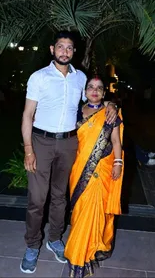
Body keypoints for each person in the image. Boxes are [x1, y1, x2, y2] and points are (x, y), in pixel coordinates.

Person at [20, 30, 117, 274]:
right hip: (41, 141)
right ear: (52, 50)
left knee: (60, 196)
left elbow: (94, 97)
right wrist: (29, 150)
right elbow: (27, 115)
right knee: (37, 198)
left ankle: (54, 238)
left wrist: (112, 103)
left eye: (69, 48)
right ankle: (32, 246)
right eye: (60, 47)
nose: (65, 51)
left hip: (69, 144)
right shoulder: (39, 77)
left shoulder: (79, 78)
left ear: (74, 52)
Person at [64, 75, 124, 278]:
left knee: (96, 210)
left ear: (104, 92)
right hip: (78, 168)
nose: (95, 91)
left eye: (99, 88)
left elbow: (116, 142)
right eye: (91, 87)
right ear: (84, 90)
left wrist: (118, 163)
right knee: (80, 210)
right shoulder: (75, 112)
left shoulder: (109, 113)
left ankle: (82, 254)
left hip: (103, 170)